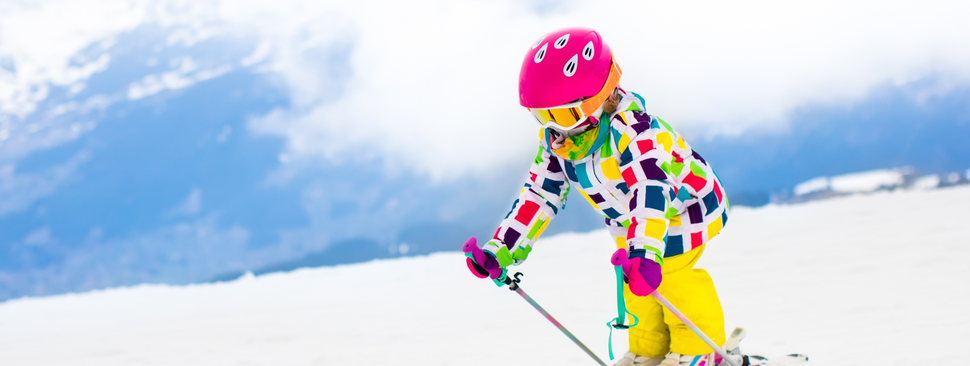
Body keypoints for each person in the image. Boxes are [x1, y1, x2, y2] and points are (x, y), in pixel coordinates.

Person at [463, 27, 733, 366]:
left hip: (684, 208)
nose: (556, 130)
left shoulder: (637, 133)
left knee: (673, 277)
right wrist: (502, 249)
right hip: (632, 224)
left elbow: (649, 192)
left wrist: (646, 252)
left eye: (562, 115)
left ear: (597, 98)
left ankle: (701, 351)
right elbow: (539, 194)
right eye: (543, 117)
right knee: (637, 289)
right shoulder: (561, 140)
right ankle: (649, 353)